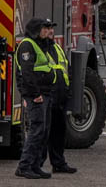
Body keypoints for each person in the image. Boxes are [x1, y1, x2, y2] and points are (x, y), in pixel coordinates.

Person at [15, 17, 57, 180]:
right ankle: (24, 166)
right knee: (36, 130)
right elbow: (26, 73)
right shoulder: (27, 45)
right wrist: (35, 94)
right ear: (36, 30)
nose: (48, 31)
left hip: (45, 94)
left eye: (48, 28)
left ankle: (35, 165)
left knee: (43, 132)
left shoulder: (41, 45)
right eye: (44, 28)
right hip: (36, 96)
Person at [39, 20, 77, 174]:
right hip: (46, 97)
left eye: (52, 29)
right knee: (42, 133)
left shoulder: (57, 48)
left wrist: (67, 93)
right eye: (47, 28)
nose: (50, 31)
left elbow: (64, 70)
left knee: (58, 133)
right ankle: (37, 165)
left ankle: (59, 163)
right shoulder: (37, 49)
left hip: (59, 98)